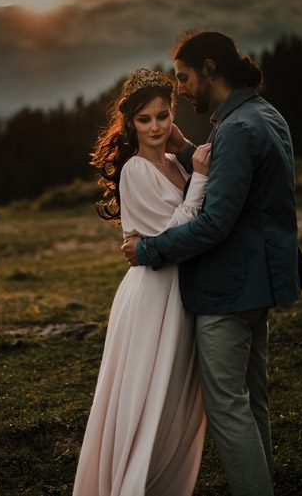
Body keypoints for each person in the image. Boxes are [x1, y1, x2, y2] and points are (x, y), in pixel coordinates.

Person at [122, 31, 302, 496]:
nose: (178, 89)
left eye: (183, 78)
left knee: (226, 406)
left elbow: (217, 222)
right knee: (252, 399)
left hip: (230, 287)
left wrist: (148, 250)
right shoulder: (261, 115)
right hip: (259, 282)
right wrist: (185, 151)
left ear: (208, 69)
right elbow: (234, 182)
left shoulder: (238, 127)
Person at [73, 68, 213, 496]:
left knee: (171, 397)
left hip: (179, 293)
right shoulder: (134, 170)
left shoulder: (174, 162)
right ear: (130, 124)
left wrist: (191, 163)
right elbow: (174, 233)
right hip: (153, 295)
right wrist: (203, 177)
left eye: (163, 116)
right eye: (145, 120)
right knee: (144, 395)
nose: (156, 127)